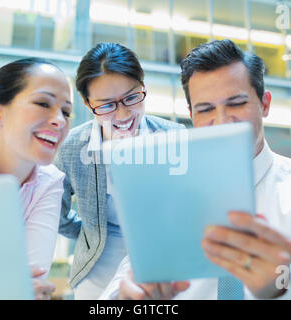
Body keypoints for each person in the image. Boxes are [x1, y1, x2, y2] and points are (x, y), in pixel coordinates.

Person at [100, 39, 291, 300]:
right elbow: (113, 297)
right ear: (191, 115)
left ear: (265, 104)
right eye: (206, 109)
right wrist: (129, 299)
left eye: (236, 104)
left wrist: (282, 288)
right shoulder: (168, 198)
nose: (222, 122)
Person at [53, 42, 185, 299]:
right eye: (106, 105)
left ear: (143, 87)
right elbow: (57, 213)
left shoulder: (175, 137)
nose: (123, 113)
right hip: (97, 265)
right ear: (87, 102)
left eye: (131, 97)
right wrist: (90, 234)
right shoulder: (71, 148)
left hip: (161, 260)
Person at [0, 58, 72, 300]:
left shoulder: (50, 181)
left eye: (66, 112)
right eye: (43, 103)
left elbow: (34, 278)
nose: (59, 120)